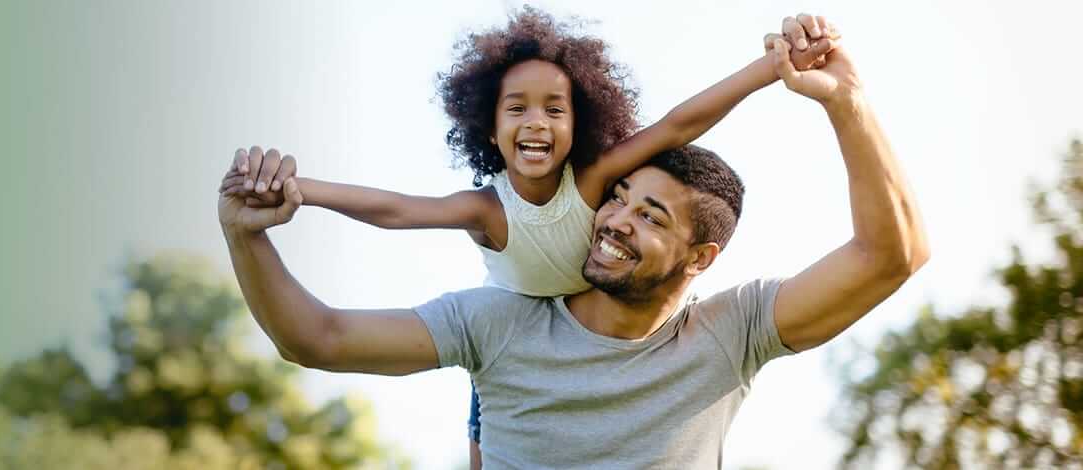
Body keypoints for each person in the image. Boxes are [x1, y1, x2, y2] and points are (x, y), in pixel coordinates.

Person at [218, 13, 928, 467]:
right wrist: (247, 236)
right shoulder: (498, 321)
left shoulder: (728, 334)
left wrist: (847, 102)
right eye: (619, 197)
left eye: (652, 216)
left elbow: (890, 256)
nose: (617, 218)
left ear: (700, 259)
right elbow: (319, 339)